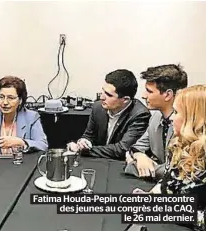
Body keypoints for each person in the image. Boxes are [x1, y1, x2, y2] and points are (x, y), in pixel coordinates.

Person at [133, 85, 206, 230]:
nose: (172, 117)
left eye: (177, 112)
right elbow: (168, 182)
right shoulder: (180, 146)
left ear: (193, 119)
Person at [68, 69, 151, 160]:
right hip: (99, 161)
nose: (102, 97)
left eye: (108, 95)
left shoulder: (140, 115)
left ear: (125, 100)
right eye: (103, 91)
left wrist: (84, 150)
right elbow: (89, 135)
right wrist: (84, 142)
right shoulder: (98, 107)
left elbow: (121, 149)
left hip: (120, 165)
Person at [125, 64, 188, 180]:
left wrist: (134, 165)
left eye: (149, 91)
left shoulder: (186, 125)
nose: (144, 96)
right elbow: (136, 147)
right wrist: (140, 156)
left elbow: (178, 172)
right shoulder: (155, 117)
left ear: (168, 95)